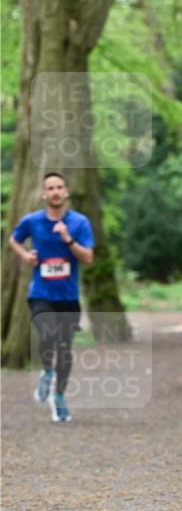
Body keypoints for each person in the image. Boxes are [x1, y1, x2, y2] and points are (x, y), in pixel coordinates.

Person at [9, 172, 94, 423]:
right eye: (50, 188)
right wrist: (25, 256)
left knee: (65, 348)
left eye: (59, 187)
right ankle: (47, 371)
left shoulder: (79, 222)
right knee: (46, 334)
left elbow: (87, 258)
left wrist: (68, 239)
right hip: (41, 293)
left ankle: (59, 397)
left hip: (67, 296)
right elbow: (14, 240)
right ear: (44, 193)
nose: (55, 191)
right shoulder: (32, 221)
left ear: (66, 192)